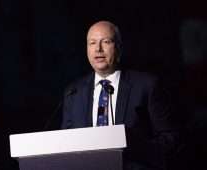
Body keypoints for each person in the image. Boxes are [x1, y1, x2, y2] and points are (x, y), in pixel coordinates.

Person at [61, 21, 183, 170]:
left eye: (106, 42)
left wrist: (131, 143)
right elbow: (65, 146)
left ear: (119, 47)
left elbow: (171, 142)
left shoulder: (146, 86)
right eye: (92, 43)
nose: (98, 49)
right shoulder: (74, 92)